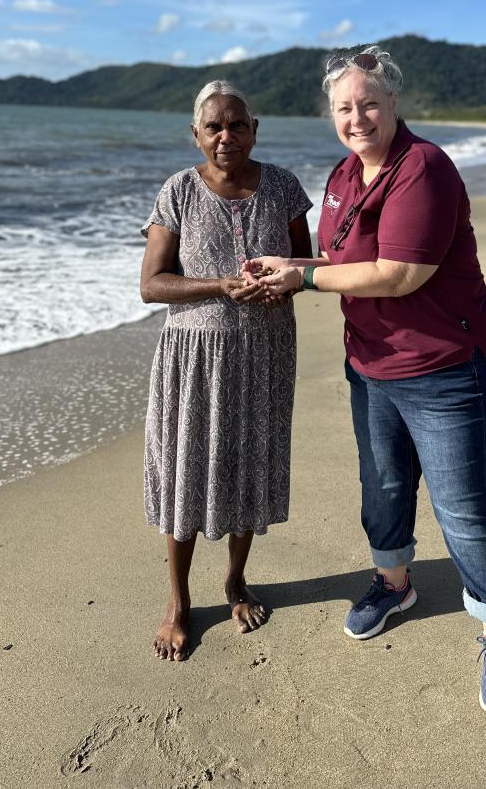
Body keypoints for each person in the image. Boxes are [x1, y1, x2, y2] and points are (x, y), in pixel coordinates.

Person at [243, 46, 486, 715]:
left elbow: (401, 272)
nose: (357, 116)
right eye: (344, 107)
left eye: (369, 102)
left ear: (395, 103)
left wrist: (301, 276)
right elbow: (345, 258)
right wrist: (289, 262)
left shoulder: (422, 167)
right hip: (370, 362)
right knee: (384, 483)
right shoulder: (343, 174)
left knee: (462, 500)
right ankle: (393, 582)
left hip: (446, 364)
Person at [139, 80, 312, 661]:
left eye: (237, 124)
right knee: (188, 466)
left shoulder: (284, 186)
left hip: (263, 354)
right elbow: (151, 284)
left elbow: (305, 266)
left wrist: (280, 287)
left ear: (255, 130)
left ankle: (236, 581)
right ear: (195, 134)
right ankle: (178, 601)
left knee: (249, 463)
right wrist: (220, 285)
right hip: (193, 360)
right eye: (214, 126)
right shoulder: (177, 192)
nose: (226, 136)